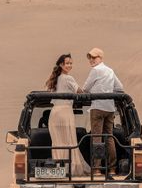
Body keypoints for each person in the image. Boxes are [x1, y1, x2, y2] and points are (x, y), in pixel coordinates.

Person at [45, 53, 91, 176]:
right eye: (67, 63)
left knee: (58, 143)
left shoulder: (55, 79)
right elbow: (79, 92)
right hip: (65, 112)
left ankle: (60, 169)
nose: (70, 65)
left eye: (71, 63)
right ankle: (71, 169)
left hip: (54, 114)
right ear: (61, 64)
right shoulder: (68, 78)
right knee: (69, 141)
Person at [82, 47, 123, 178]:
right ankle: (112, 168)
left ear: (100, 58)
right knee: (109, 137)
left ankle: (97, 169)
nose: (91, 60)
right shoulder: (110, 70)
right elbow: (120, 88)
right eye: (90, 58)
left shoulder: (95, 70)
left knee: (97, 137)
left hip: (98, 107)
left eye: (94, 57)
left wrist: (95, 92)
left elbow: (85, 88)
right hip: (110, 108)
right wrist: (109, 94)